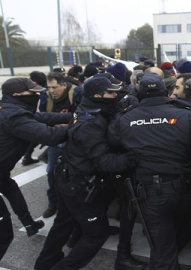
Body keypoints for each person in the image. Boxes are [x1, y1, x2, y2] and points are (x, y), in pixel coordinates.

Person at [109, 73, 191, 270]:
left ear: (139, 93)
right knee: (170, 243)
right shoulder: (184, 114)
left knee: (163, 248)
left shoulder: (126, 117)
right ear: (166, 91)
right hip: (184, 189)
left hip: (150, 193)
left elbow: (113, 140)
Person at [34, 76, 135, 270]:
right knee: (97, 234)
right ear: (97, 96)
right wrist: (135, 157)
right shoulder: (92, 123)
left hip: (68, 176)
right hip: (78, 183)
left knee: (63, 224)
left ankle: (44, 264)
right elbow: (103, 161)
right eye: (111, 93)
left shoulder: (89, 108)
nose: (115, 96)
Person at [0, 77, 71, 261]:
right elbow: (48, 135)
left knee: (9, 186)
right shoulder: (13, 116)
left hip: (1, 173)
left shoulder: (11, 109)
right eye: (31, 92)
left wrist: (74, 116)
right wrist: (77, 126)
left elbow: (42, 117)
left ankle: (29, 224)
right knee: (4, 234)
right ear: (17, 95)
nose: (36, 95)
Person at [39, 72, 83, 218]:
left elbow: (82, 116)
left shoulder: (77, 93)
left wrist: (66, 124)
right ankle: (53, 203)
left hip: (73, 139)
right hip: (56, 139)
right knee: (51, 172)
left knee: (74, 174)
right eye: (49, 87)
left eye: (54, 87)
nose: (52, 91)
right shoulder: (45, 96)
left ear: (64, 85)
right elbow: (43, 116)